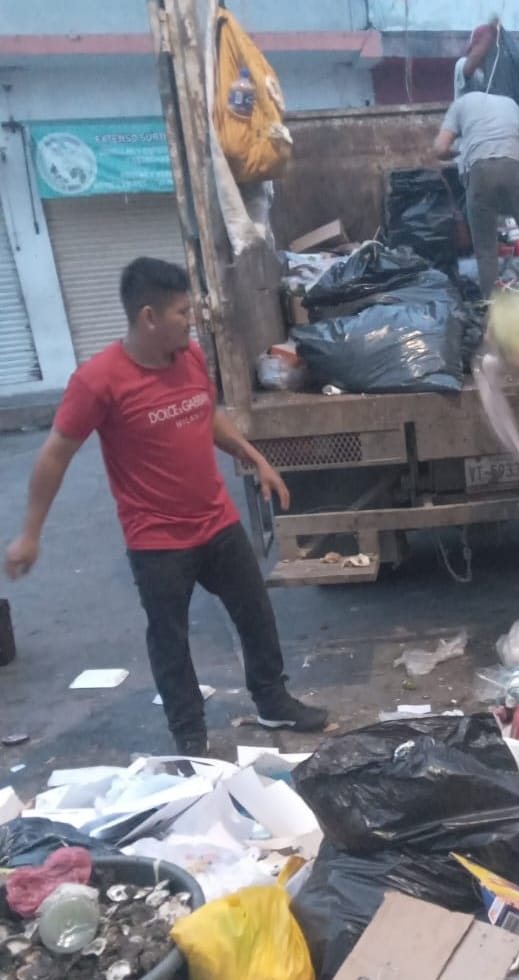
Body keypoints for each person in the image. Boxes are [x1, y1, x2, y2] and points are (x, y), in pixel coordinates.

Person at [4, 257, 329, 756]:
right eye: (182, 312)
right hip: (157, 540)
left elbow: (207, 414)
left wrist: (254, 456)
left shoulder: (190, 357)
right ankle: (190, 735)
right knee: (170, 639)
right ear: (148, 317)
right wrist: (30, 533)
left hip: (216, 521)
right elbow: (55, 454)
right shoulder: (99, 382)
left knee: (256, 613)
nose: (192, 320)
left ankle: (272, 699)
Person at [433, 90, 519, 297]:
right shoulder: (511, 102)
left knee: (486, 252)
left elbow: (439, 148)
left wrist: (461, 151)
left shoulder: (460, 104)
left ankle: (491, 312)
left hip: (480, 171)